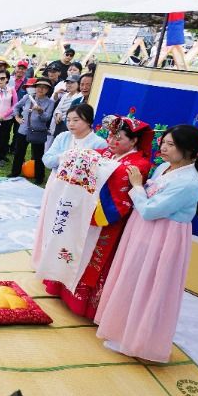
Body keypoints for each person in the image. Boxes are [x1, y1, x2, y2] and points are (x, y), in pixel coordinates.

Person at [95, 125, 198, 362]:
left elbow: (149, 209)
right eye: (163, 142)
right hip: (144, 231)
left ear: (189, 151)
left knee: (149, 286)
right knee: (132, 279)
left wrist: (137, 186)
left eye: (171, 145)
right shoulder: (164, 168)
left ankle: (138, 341)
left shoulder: (188, 183)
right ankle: (121, 329)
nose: (163, 148)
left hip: (163, 237)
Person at [44, 116, 153, 319]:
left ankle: (83, 303)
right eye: (110, 136)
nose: (111, 141)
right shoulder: (104, 154)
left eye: (118, 137)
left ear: (134, 141)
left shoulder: (139, 164)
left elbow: (118, 180)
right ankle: (61, 286)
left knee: (93, 258)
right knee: (74, 248)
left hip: (107, 221)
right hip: (85, 214)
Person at [9, 78, 54, 184]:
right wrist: (17, 117)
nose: (41, 89)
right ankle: (15, 172)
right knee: (19, 152)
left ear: (48, 90)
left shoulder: (50, 102)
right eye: (39, 86)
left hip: (38, 131)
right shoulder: (28, 97)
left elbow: (46, 118)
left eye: (44, 87)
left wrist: (40, 111)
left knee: (38, 155)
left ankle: (39, 177)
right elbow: (16, 106)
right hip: (23, 129)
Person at [42, 104, 107, 172]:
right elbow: (47, 160)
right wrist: (62, 157)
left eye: (75, 120)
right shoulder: (63, 137)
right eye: (68, 120)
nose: (71, 124)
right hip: (56, 180)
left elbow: (100, 171)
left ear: (88, 121)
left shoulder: (99, 143)